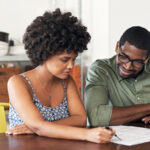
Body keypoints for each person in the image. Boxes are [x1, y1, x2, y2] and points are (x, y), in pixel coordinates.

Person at [6, 9, 115, 143]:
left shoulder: (67, 81)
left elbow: (80, 119)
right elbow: (39, 126)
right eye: (65, 59)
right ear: (45, 54)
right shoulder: (18, 82)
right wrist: (87, 135)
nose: (71, 66)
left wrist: (40, 128)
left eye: (73, 59)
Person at [85, 26, 150, 127]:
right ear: (117, 47)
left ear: (146, 59)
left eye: (137, 62)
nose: (128, 66)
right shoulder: (101, 70)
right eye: (124, 57)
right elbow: (96, 117)